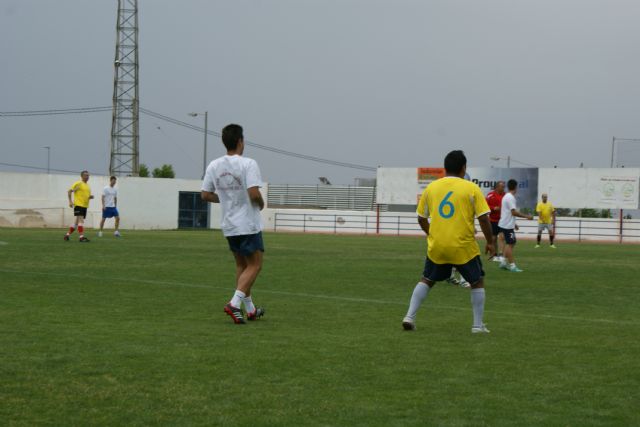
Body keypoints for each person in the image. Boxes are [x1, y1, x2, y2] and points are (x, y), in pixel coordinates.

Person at [402, 150, 494, 333]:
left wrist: (432, 234)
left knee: (427, 279)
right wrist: (490, 242)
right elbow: (484, 219)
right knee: (477, 282)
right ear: (463, 168)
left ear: (445, 168)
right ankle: (477, 326)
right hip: (463, 246)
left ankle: (409, 316)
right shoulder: (471, 188)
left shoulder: (431, 188)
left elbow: (421, 218)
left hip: (438, 246)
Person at [201, 124, 266, 324]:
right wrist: (262, 204)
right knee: (255, 265)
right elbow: (254, 193)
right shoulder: (248, 164)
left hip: (229, 224)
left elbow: (205, 194)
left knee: (241, 265)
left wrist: (226, 198)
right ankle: (233, 304)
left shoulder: (214, 165)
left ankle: (251, 309)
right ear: (240, 141)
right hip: (247, 223)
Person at [498, 179, 534, 272]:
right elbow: (513, 212)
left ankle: (503, 262)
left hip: (505, 224)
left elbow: (507, 212)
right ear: (515, 187)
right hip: (507, 225)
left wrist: (515, 224)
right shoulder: (510, 197)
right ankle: (512, 266)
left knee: (511, 243)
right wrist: (527, 217)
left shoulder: (506, 196)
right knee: (510, 244)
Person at [64, 170, 93, 242]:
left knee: (76, 223)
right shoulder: (78, 183)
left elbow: (85, 195)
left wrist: (90, 197)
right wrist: (70, 201)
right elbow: (69, 191)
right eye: (86, 175)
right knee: (81, 220)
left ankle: (67, 235)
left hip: (84, 206)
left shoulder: (88, 186)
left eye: (88, 175)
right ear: (82, 176)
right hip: (78, 205)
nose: (87, 177)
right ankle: (81, 237)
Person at [485, 180, 506, 262]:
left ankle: (501, 255)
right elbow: (485, 206)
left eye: (504, 186)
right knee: (493, 239)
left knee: (502, 237)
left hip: (503, 220)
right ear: (497, 187)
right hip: (493, 220)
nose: (503, 188)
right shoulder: (490, 195)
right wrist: (494, 208)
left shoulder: (505, 195)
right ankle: (494, 254)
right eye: (502, 186)